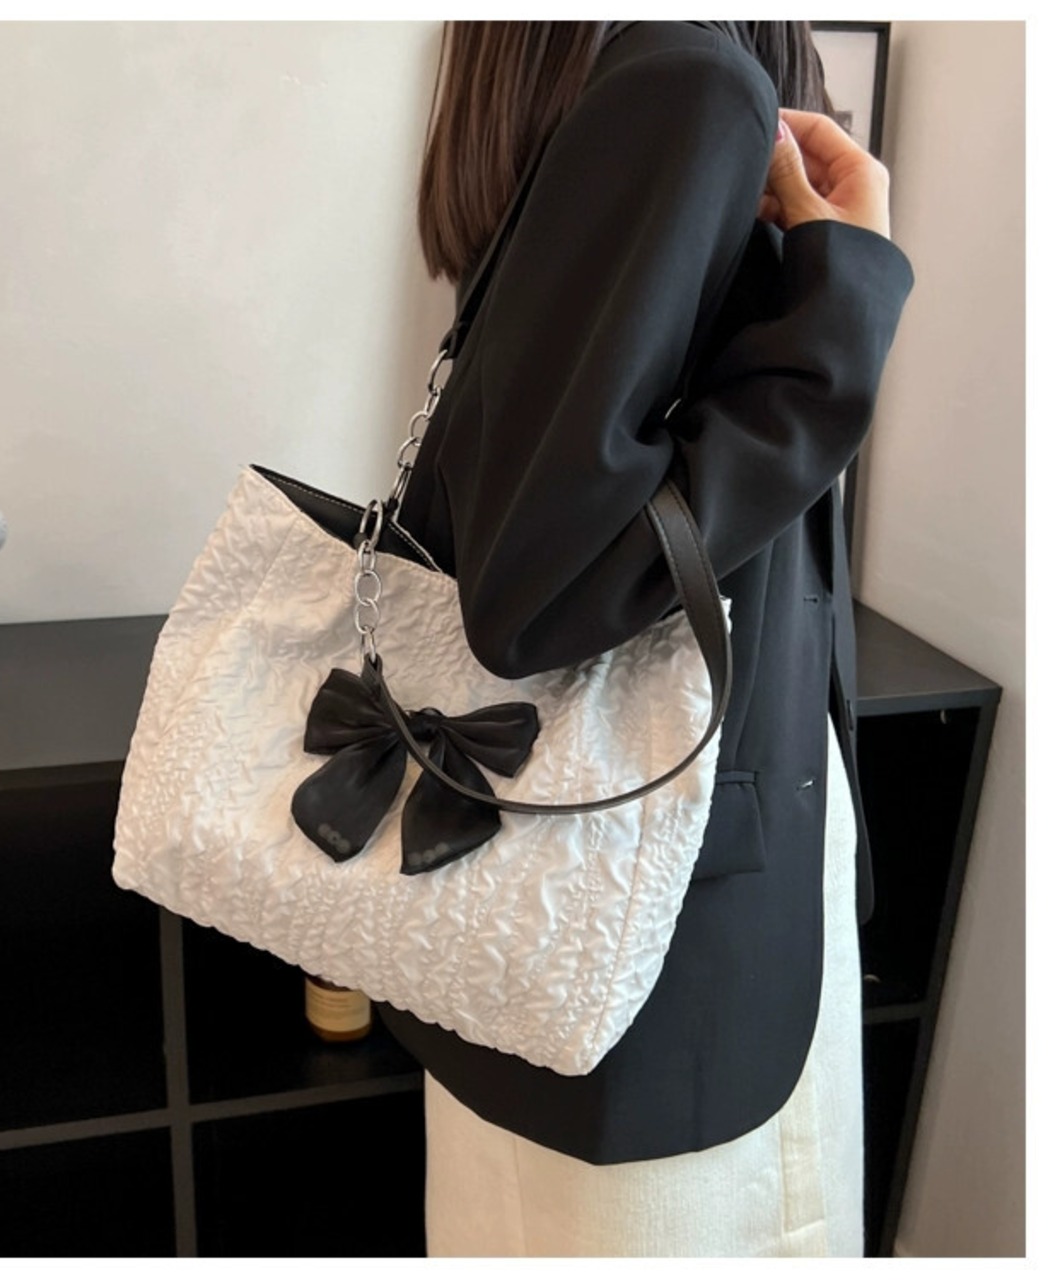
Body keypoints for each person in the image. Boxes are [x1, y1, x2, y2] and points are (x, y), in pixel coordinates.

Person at [375, 20, 915, 1257]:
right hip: (662, 928)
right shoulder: (691, 82)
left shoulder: (608, 86)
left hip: (575, 893)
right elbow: (537, 587)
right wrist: (834, 323)